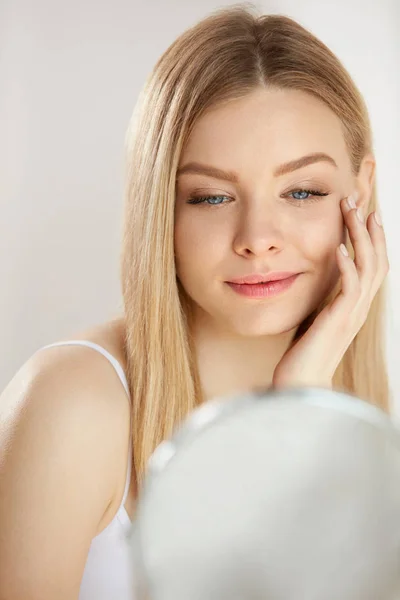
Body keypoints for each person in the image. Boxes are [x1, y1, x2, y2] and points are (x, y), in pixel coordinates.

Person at [0, 3, 391, 599]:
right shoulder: (74, 403)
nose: (258, 237)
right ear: (160, 207)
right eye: (210, 197)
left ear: (358, 194)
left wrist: (297, 407)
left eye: (302, 190)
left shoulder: (357, 413)